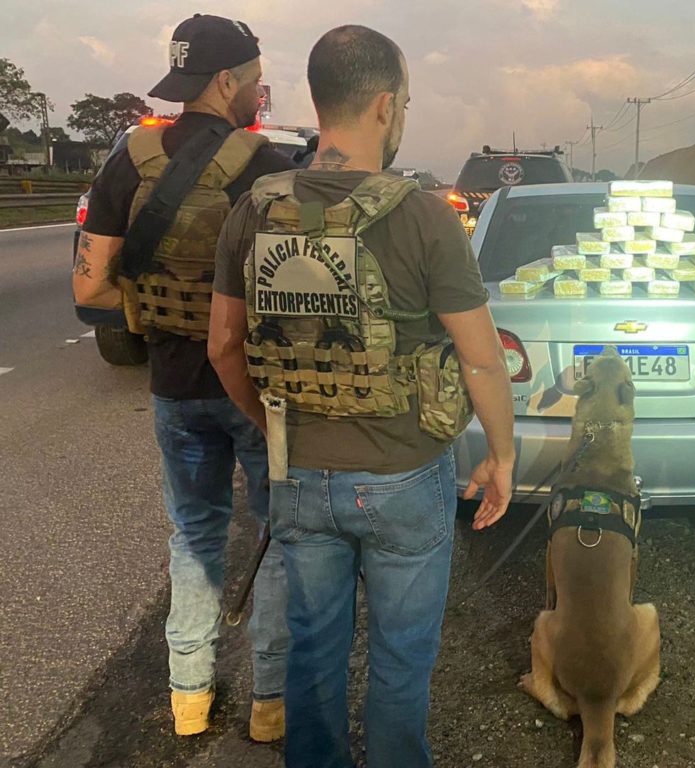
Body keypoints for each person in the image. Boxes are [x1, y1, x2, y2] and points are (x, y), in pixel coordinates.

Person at [208, 25, 516, 768]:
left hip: (299, 473)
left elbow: (222, 345)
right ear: (384, 105)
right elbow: (481, 360)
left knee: (314, 656)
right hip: (404, 473)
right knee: (401, 660)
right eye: (404, 103)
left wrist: (272, 428)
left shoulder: (255, 209)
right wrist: (502, 456)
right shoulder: (424, 216)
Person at [75, 14, 293, 740]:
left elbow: (91, 288)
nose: (259, 92)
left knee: (194, 535)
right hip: (254, 388)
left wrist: (158, 310)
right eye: (255, 80)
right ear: (227, 81)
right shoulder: (265, 168)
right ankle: (270, 703)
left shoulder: (129, 161)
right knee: (276, 534)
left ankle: (189, 699)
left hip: (173, 387)